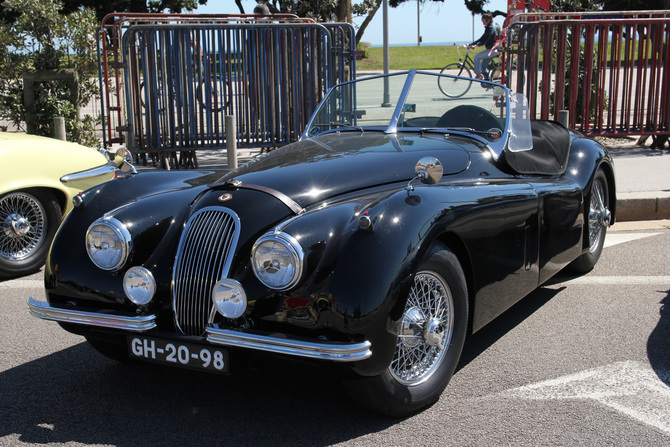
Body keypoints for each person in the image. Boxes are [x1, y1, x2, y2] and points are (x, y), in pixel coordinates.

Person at [470, 13, 498, 80]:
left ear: (489, 20)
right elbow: (481, 38)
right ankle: (487, 80)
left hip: (493, 50)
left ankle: (478, 75)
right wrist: (471, 44)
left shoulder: (491, 28)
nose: (483, 21)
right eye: (482, 20)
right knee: (483, 66)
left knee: (476, 57)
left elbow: (486, 39)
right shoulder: (488, 28)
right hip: (491, 50)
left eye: (484, 20)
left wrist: (477, 45)